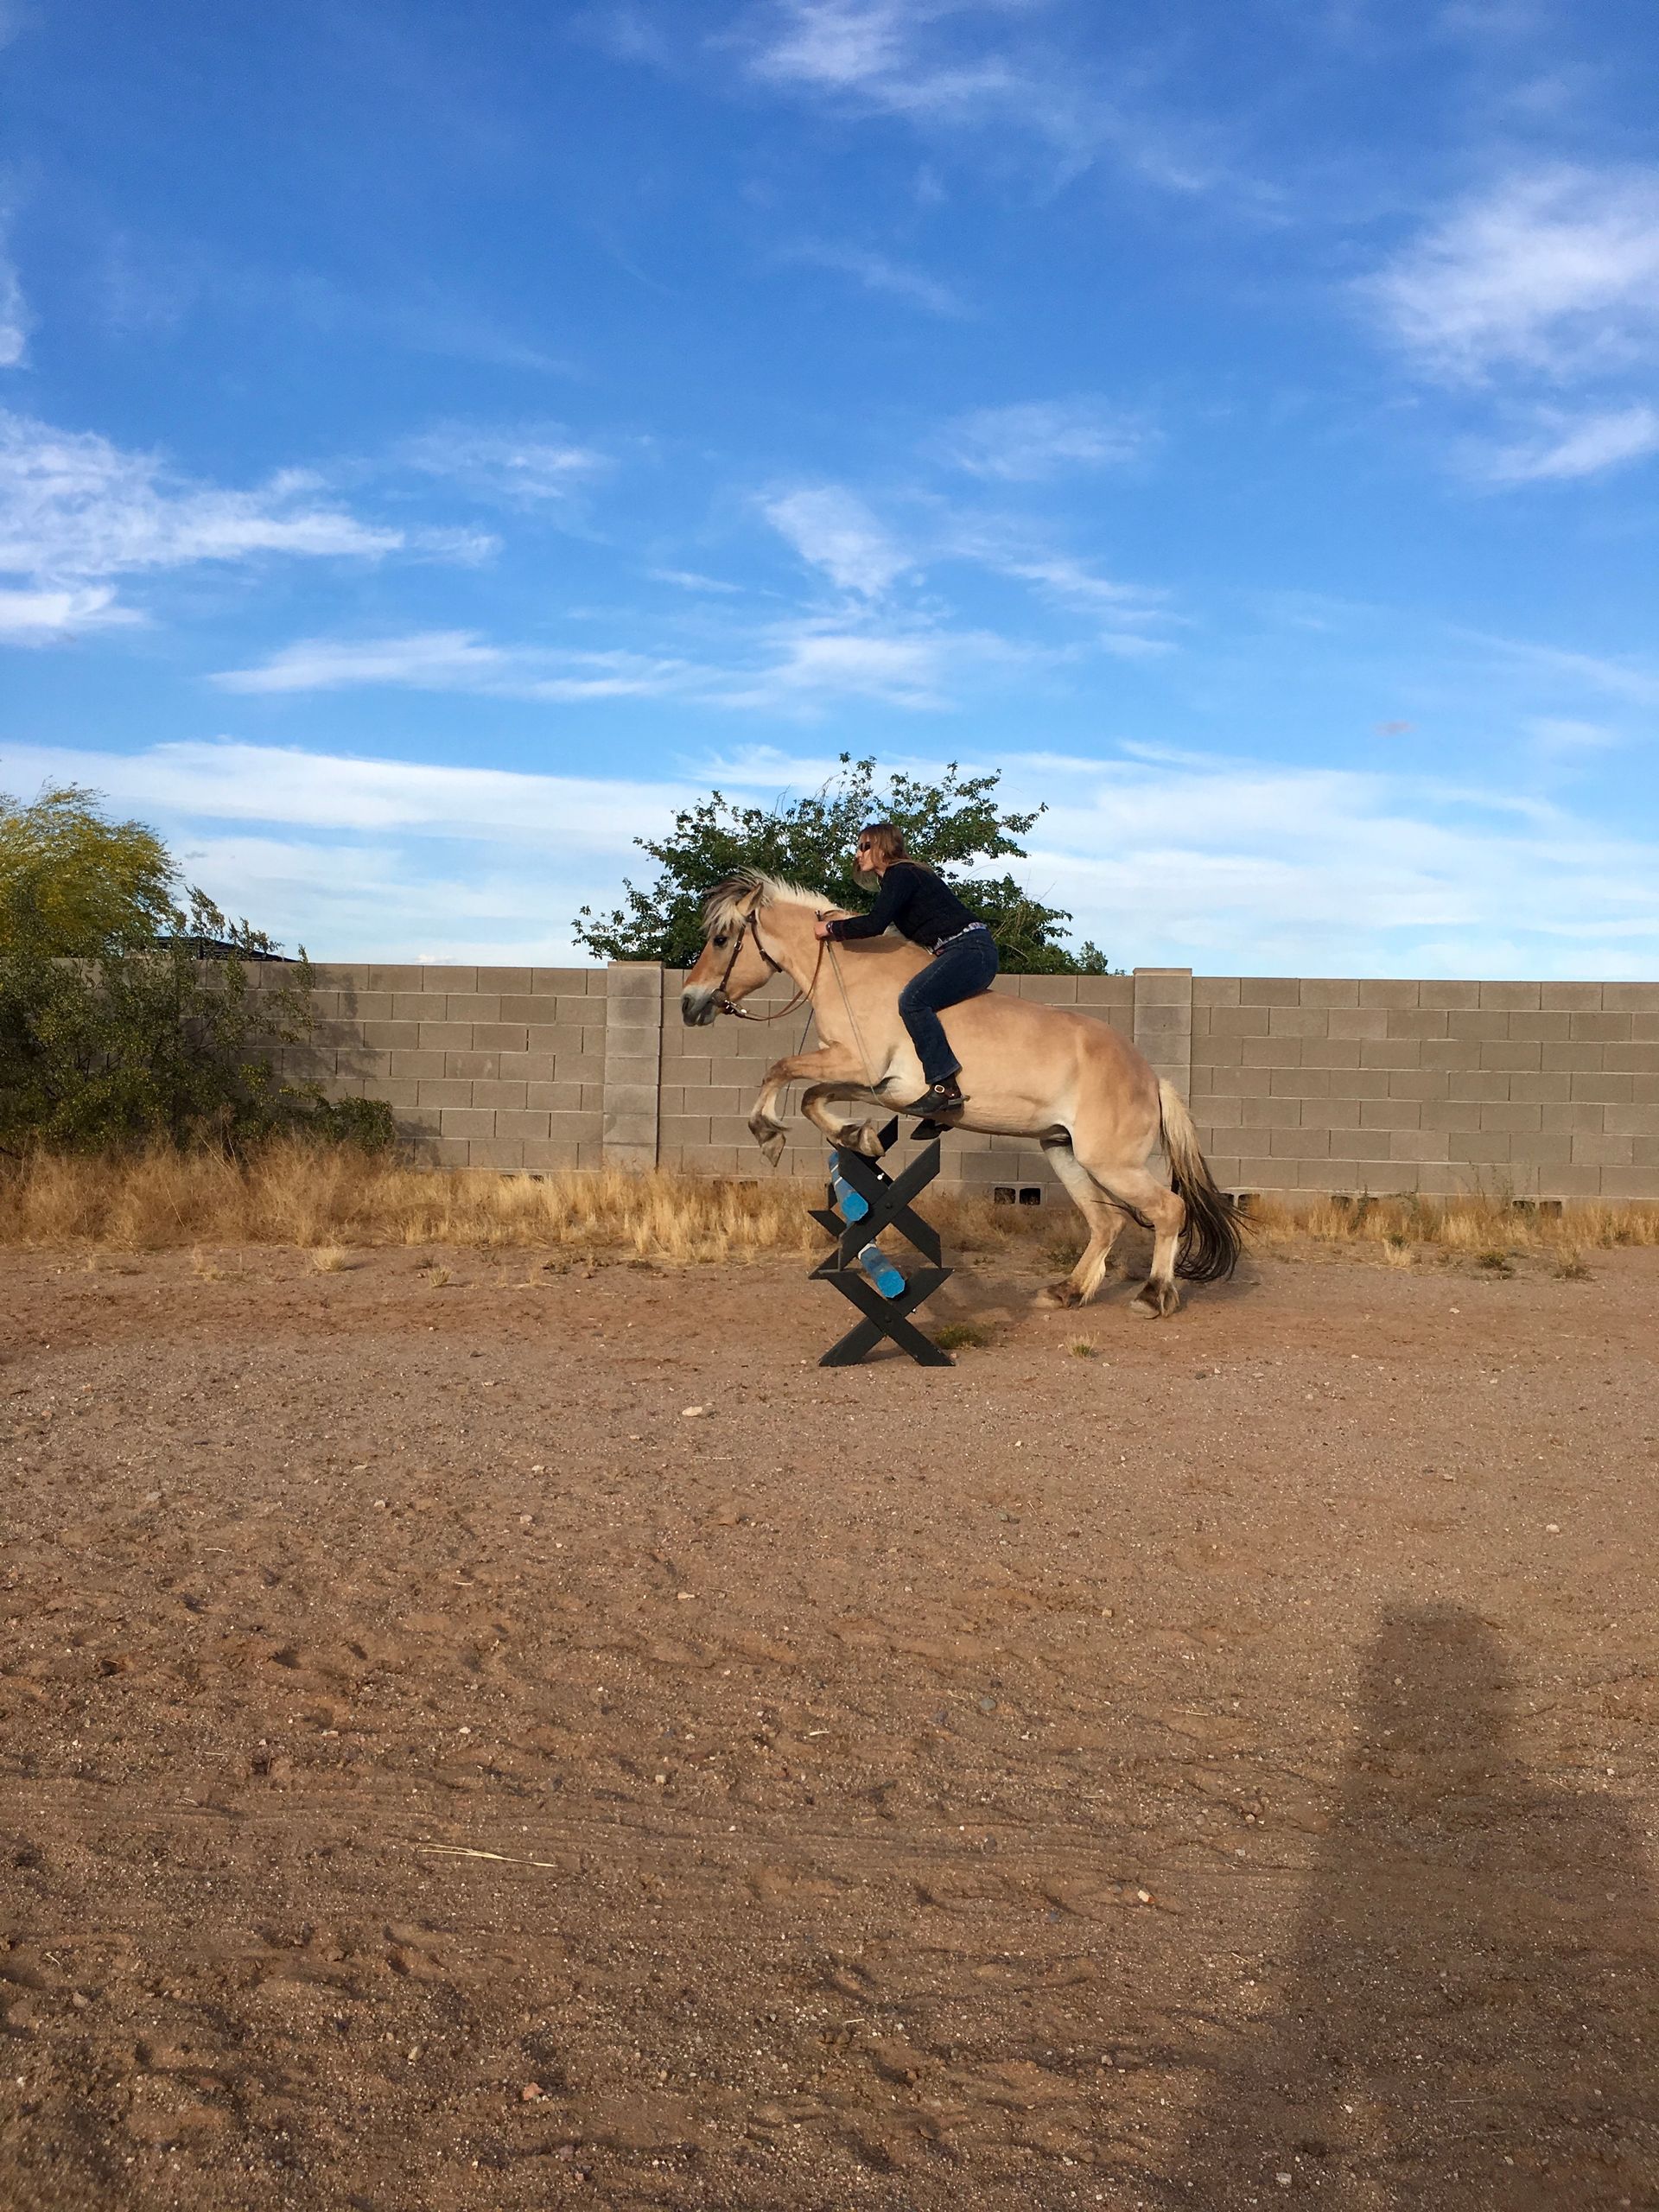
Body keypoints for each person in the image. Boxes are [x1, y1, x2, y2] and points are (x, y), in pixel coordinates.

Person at [813, 823, 998, 1116]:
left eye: (864, 846)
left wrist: (831, 928)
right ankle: (945, 1114)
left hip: (969, 949)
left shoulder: (901, 874)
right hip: (962, 950)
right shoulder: (899, 881)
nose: (858, 854)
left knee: (913, 1000)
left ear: (883, 847)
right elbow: (886, 929)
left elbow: (874, 924)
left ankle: (945, 1087)